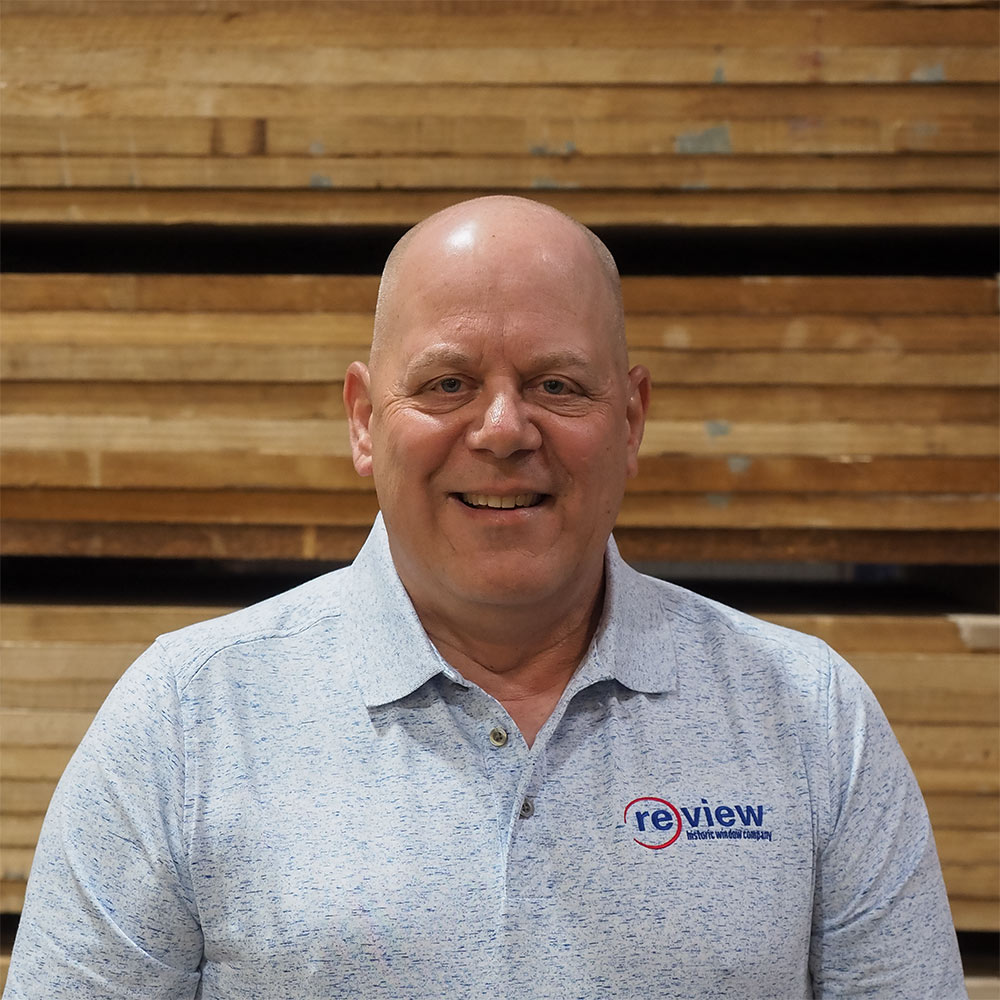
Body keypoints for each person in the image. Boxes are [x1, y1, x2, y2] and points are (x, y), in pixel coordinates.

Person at [6, 196, 966, 998]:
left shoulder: (808, 718)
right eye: (447, 383)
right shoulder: (186, 718)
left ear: (630, 420)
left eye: (557, 384)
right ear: (361, 419)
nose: (504, 430)